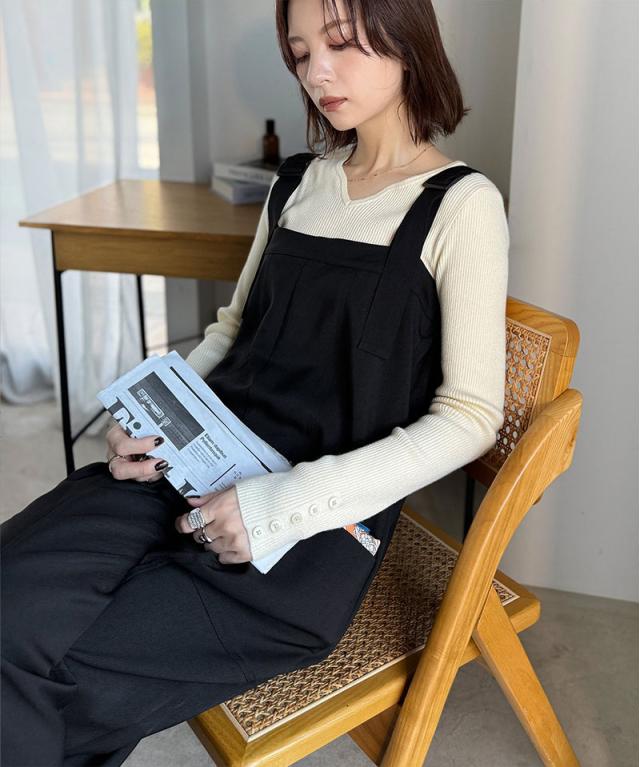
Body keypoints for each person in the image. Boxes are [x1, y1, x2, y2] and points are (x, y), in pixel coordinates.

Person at [0, 0, 509, 764]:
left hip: (307, 532)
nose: (317, 73)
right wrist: (150, 415)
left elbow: (470, 415)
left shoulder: (460, 206)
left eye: (340, 44)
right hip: (188, 465)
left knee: (62, 682)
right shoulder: (297, 183)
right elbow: (234, 328)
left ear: (406, 39)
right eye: (301, 54)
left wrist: (278, 505)